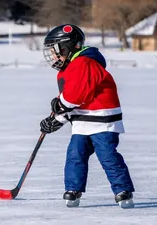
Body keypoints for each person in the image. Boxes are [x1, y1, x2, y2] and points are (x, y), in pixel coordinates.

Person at [39, 24, 135, 208]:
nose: (53, 56)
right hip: (82, 123)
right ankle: (73, 189)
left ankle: (123, 190)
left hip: (102, 122)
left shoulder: (84, 63)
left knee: (107, 156)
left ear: (68, 47)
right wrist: (56, 120)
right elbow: (73, 103)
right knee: (75, 155)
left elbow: (75, 96)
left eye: (55, 51)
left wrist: (60, 105)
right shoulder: (68, 69)